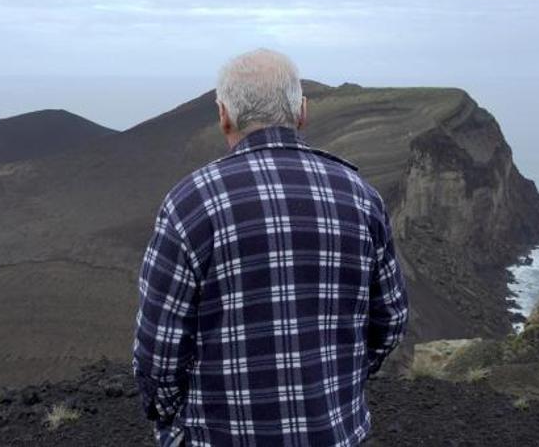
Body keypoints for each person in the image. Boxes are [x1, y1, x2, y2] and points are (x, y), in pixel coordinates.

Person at [132, 48, 409, 447]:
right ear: (302, 112)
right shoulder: (362, 198)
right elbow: (391, 318)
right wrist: (337, 380)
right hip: (337, 433)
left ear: (223, 113)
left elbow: (158, 347)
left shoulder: (190, 204)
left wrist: (170, 421)